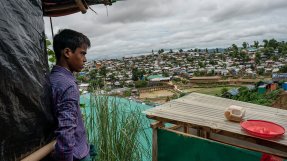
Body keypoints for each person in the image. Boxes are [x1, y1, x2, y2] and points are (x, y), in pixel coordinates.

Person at [49, 29, 94, 161]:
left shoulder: (53, 78)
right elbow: (66, 131)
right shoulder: (67, 85)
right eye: (82, 53)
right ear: (67, 52)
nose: (85, 59)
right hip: (76, 155)